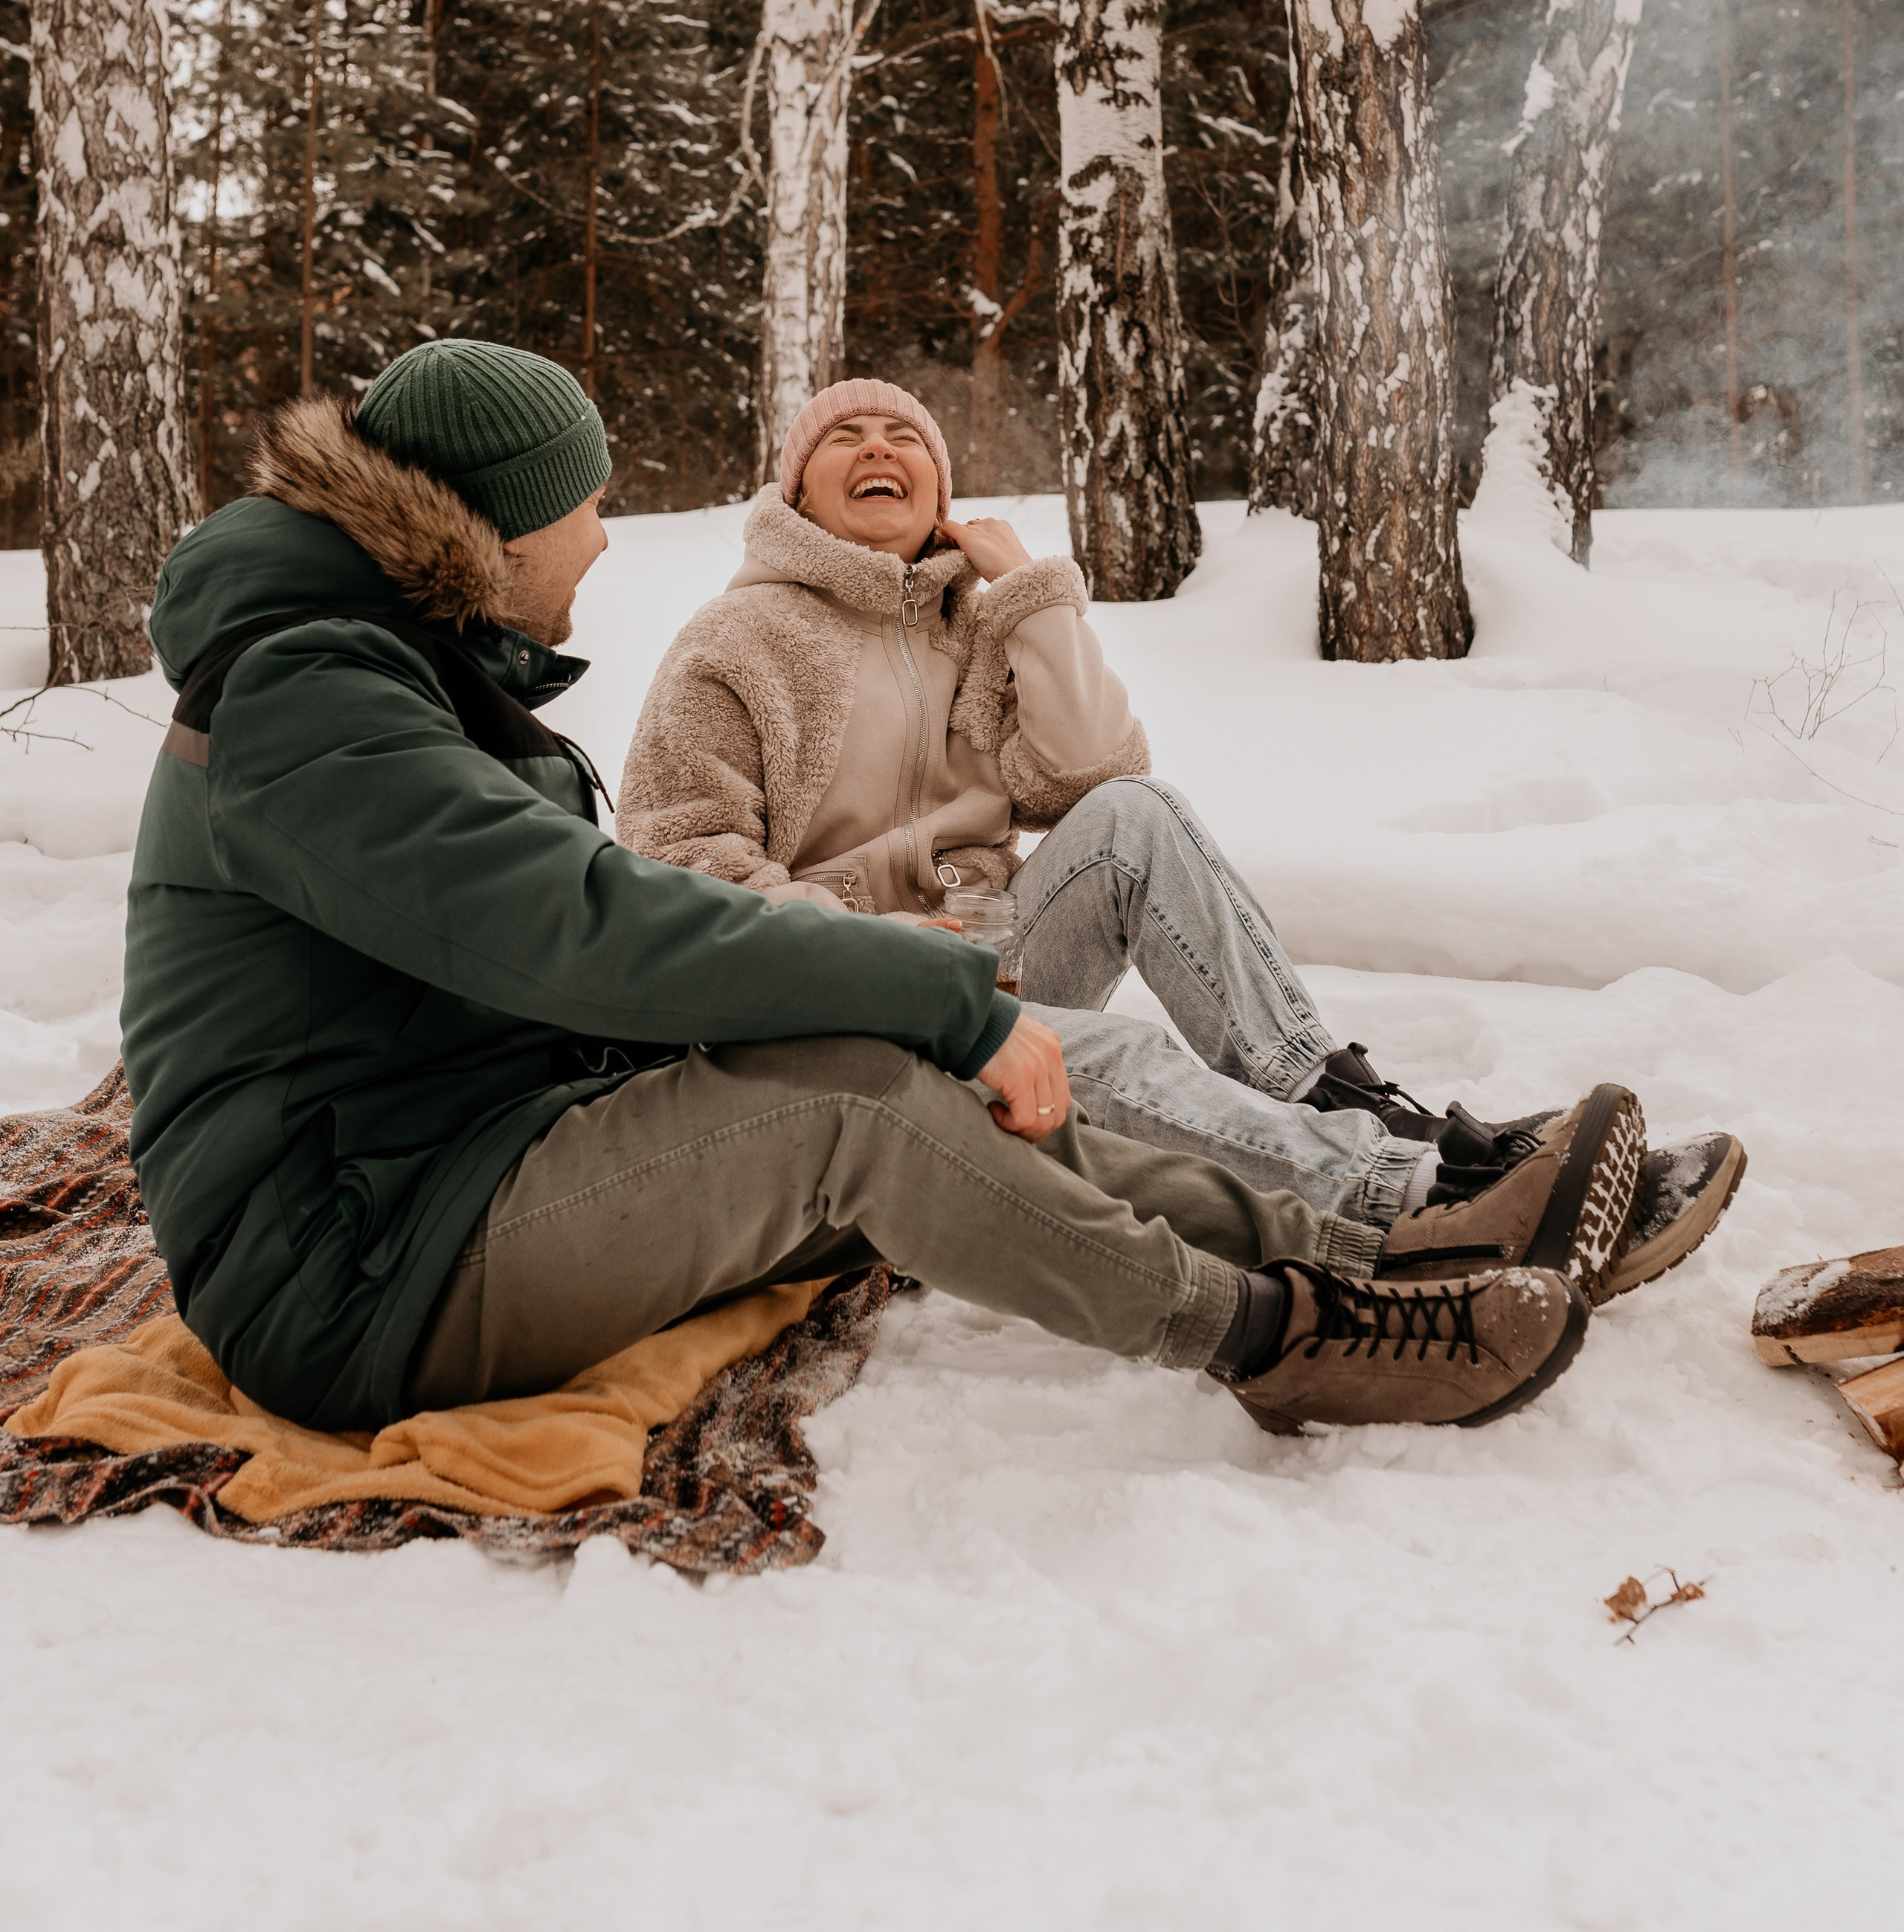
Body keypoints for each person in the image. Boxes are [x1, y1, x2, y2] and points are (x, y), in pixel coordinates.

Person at [120, 342, 1622, 1446]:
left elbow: (1098, 776)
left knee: (919, 1080)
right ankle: (1285, 1340)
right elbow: (588, 923)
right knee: (861, 1098)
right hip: (361, 1263)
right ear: (490, 529)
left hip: (472, 1153)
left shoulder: (384, 666)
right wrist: (924, 991)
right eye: (582, 508)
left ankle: (1378, 1246)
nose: (598, 539)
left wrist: (916, 1005)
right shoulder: (313, 693)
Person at [619, 378, 1745, 1294]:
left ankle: (1355, 1110)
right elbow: (678, 868)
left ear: (941, 489)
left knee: (1134, 820)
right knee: (1111, 1054)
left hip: (988, 952)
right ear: (799, 493)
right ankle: (1421, 1204)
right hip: (846, 1003)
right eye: (847, 437)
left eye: (906, 434)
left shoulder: (975, 618)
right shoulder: (738, 641)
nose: (882, 447)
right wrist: (865, 944)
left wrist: (1036, 601)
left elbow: (1095, 774)